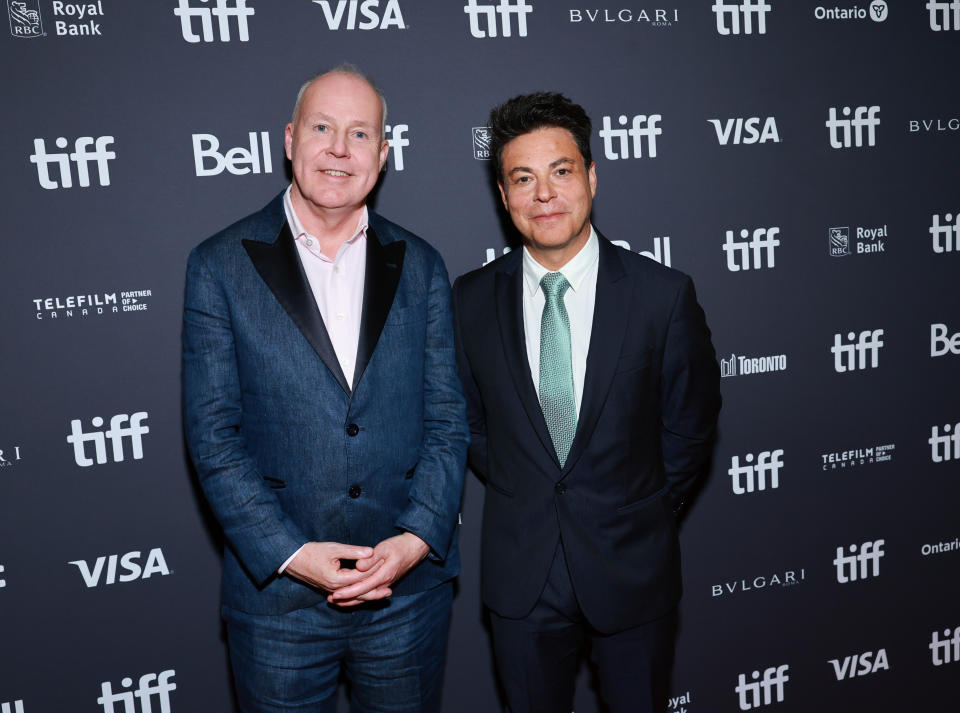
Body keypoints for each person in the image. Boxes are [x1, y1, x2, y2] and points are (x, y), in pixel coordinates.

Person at [182, 65, 468, 713]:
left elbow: (449, 417)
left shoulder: (420, 264)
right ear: (289, 140)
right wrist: (291, 553)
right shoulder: (219, 264)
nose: (340, 148)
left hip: (406, 594)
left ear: (383, 154)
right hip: (280, 601)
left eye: (360, 133)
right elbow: (212, 434)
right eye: (322, 128)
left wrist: (417, 539)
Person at [452, 92, 721, 713]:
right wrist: (531, 486)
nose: (544, 193)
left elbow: (690, 427)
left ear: (592, 177)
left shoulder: (662, 295)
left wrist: (640, 505)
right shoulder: (468, 303)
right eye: (524, 178)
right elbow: (468, 422)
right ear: (503, 195)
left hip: (633, 571)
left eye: (561, 171)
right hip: (522, 578)